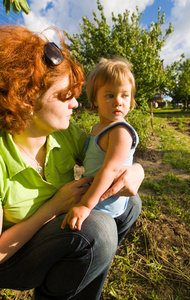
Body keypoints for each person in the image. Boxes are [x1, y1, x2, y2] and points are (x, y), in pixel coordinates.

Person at [0, 25, 144, 300]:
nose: (76, 104)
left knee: (129, 204)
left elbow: (110, 155)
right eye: (66, 95)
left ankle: (80, 287)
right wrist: (54, 207)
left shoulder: (63, 134)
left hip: (49, 237)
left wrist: (137, 170)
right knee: (97, 230)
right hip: (11, 259)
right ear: (29, 99)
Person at [62, 58, 139, 231]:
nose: (118, 101)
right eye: (110, 95)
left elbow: (109, 170)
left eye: (125, 95)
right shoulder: (99, 127)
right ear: (95, 100)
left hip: (103, 201)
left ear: (131, 99)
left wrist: (85, 205)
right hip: (96, 192)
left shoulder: (120, 131)